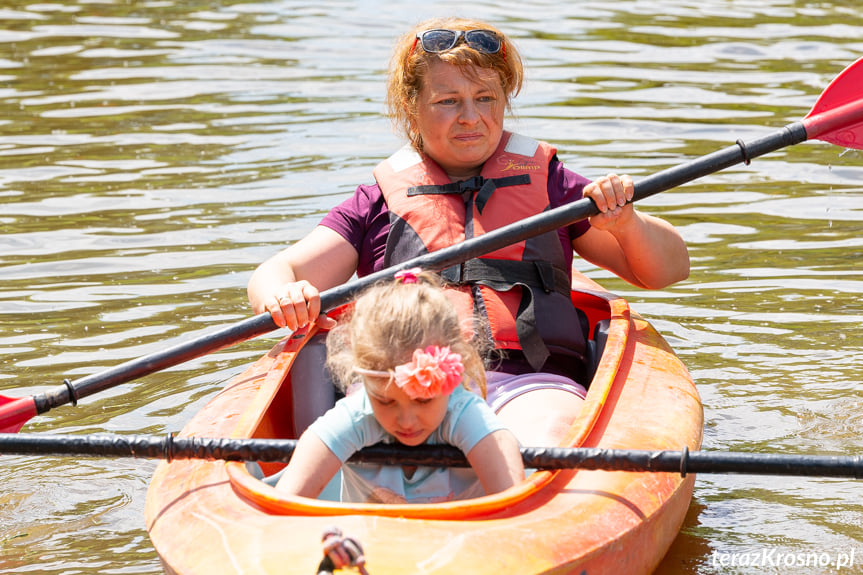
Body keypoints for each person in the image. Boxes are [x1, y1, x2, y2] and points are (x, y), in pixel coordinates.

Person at [248, 17, 689, 446]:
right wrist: (282, 295)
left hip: (526, 385)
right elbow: (278, 270)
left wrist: (627, 222)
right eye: (447, 101)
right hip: (403, 390)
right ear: (411, 106)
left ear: (504, 100)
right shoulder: (377, 201)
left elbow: (666, 270)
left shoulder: (554, 186)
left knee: (552, 437)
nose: (470, 118)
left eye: (485, 98)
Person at [275, 270, 525, 503]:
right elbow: (284, 503)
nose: (406, 421)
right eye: (385, 401)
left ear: (454, 379)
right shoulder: (357, 413)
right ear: (365, 383)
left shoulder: (464, 412)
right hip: (367, 547)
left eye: (423, 400)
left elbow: (515, 506)